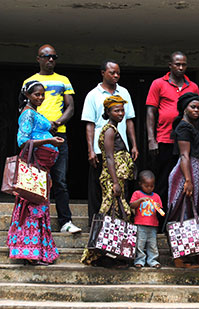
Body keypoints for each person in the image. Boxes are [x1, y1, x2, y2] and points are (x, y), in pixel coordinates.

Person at [23, 44, 81, 234]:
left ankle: (65, 221)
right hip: (35, 137)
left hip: (58, 134)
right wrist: (41, 126)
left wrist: (56, 123)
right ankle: (34, 221)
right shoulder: (29, 81)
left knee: (60, 179)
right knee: (35, 179)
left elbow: (70, 107)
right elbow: (22, 109)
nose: (50, 60)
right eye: (46, 57)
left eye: (54, 57)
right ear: (38, 58)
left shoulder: (63, 80)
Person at [7, 81, 65, 265]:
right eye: (36, 95)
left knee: (39, 206)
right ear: (27, 95)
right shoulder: (27, 114)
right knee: (32, 206)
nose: (40, 97)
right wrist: (49, 140)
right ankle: (29, 252)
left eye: (42, 94)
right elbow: (23, 141)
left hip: (40, 167)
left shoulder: (34, 113)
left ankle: (36, 250)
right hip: (33, 166)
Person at [81, 60, 139, 226]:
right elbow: (89, 124)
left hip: (121, 150)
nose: (116, 76)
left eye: (118, 73)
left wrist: (133, 145)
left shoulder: (124, 92)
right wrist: (90, 150)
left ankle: (118, 227)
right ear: (102, 73)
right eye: (112, 72)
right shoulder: (93, 94)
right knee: (98, 188)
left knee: (121, 188)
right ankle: (96, 226)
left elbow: (129, 121)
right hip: (100, 150)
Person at [81, 95, 135, 267]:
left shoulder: (114, 128)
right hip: (112, 180)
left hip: (116, 178)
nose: (120, 113)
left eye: (121, 110)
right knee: (109, 215)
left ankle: (113, 254)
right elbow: (109, 158)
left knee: (117, 215)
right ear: (108, 112)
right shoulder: (109, 130)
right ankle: (98, 255)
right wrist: (116, 182)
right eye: (116, 110)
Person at [146, 51, 199, 216]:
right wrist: (151, 139)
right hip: (164, 140)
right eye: (177, 64)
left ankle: (178, 220)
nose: (181, 67)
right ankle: (159, 219)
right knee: (163, 182)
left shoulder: (193, 86)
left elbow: (196, 114)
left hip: (185, 142)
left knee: (184, 181)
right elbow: (150, 112)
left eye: (184, 64)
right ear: (170, 65)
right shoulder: (158, 84)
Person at [166, 92, 199, 268]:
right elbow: (184, 156)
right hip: (187, 175)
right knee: (182, 213)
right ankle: (180, 258)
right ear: (184, 108)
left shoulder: (194, 125)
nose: (197, 110)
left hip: (196, 177)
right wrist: (188, 180)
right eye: (193, 107)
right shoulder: (183, 128)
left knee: (193, 214)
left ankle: (193, 253)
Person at [130, 170, 162, 269]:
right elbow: (131, 205)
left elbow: (161, 212)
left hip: (152, 225)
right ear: (140, 184)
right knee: (140, 243)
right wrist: (140, 200)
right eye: (146, 186)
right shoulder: (137, 194)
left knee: (152, 244)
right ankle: (139, 260)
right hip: (140, 224)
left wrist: (157, 207)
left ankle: (152, 260)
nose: (149, 188)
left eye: (151, 186)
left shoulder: (156, 196)